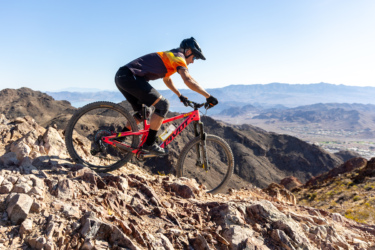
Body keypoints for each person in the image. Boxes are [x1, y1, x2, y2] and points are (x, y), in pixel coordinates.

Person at [115, 37, 218, 155]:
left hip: (122, 77)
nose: (193, 61)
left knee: (145, 112)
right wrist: (208, 96)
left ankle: (119, 138)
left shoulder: (171, 56)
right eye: (194, 57)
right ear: (188, 51)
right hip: (130, 77)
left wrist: (180, 96)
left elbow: (167, 79)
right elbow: (188, 79)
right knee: (163, 105)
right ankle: (149, 144)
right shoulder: (179, 57)